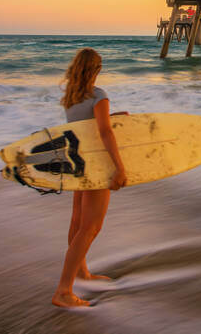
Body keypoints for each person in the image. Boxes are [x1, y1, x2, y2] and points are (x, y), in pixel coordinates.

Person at [52, 48, 127, 308]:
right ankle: (63, 290)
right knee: (91, 227)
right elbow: (105, 133)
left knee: (77, 222)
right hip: (96, 166)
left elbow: (86, 128)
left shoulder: (71, 98)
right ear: (96, 70)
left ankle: (82, 272)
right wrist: (120, 167)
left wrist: (112, 117)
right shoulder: (99, 96)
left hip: (78, 164)